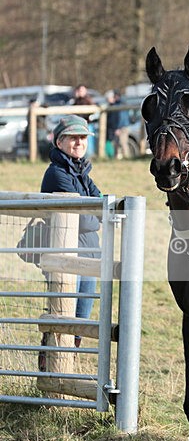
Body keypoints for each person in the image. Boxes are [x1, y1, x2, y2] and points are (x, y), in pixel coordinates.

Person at [40, 115, 102, 351]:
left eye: (83, 137)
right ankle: (51, 371)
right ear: (59, 142)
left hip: (89, 257)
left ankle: (68, 367)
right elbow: (88, 219)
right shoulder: (57, 174)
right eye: (73, 138)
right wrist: (95, 213)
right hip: (66, 257)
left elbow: (100, 206)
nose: (79, 142)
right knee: (61, 317)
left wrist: (96, 212)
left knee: (81, 321)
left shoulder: (83, 172)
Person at [105, 89, 130, 159]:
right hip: (121, 127)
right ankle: (117, 158)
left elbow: (121, 118)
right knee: (117, 144)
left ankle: (126, 157)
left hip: (122, 127)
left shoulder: (120, 104)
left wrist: (118, 128)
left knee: (122, 143)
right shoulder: (120, 103)